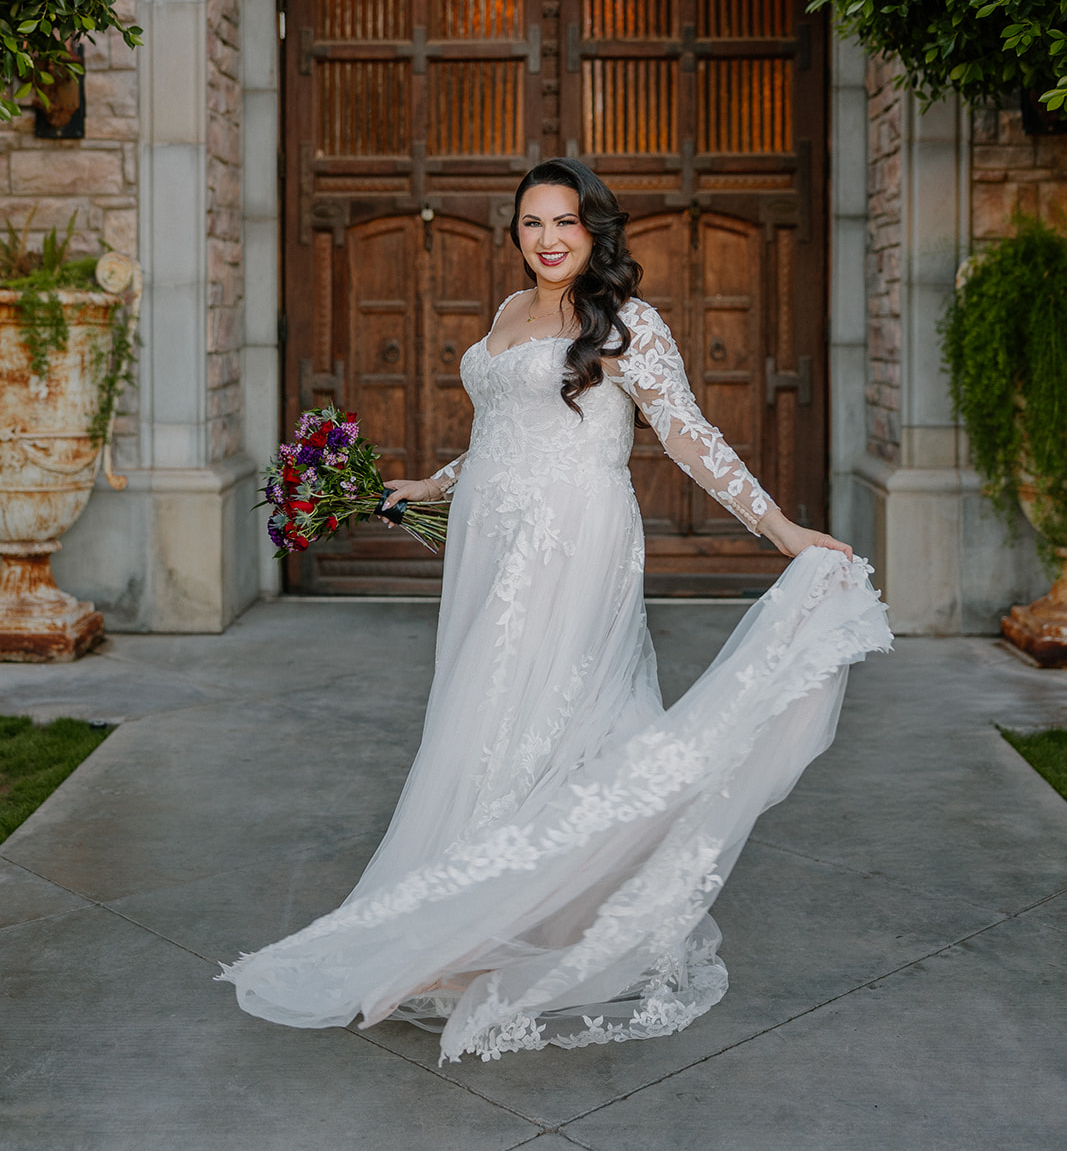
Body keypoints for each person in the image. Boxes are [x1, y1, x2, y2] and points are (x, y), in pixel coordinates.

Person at [222, 159, 891, 1063]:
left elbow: (688, 434)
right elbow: (502, 429)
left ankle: (494, 926)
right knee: (481, 717)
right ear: (515, 232)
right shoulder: (507, 312)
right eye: (531, 223)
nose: (546, 239)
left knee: (544, 713)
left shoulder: (627, 324)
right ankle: (471, 912)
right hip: (487, 544)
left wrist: (776, 529)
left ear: (594, 230)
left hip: (574, 539)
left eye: (564, 222)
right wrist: (435, 483)